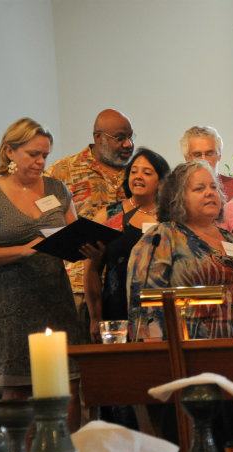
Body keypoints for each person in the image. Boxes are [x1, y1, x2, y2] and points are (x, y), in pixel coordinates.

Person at [0, 117, 81, 398]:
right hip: (5, 305)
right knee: (17, 390)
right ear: (9, 151)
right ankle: (20, 443)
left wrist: (86, 247)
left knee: (68, 386)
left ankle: (65, 442)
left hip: (53, 300)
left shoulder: (57, 189)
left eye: (45, 155)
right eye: (33, 154)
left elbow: (73, 235)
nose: (41, 161)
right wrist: (27, 249)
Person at [126, 161, 233, 342]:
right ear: (178, 197)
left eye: (214, 187)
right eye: (199, 188)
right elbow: (143, 300)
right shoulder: (163, 236)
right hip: (187, 345)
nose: (210, 192)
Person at [46, 108, 134, 311]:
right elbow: (42, 220)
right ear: (98, 137)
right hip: (78, 287)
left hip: (126, 284)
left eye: (130, 136)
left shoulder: (138, 172)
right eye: (120, 138)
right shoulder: (62, 171)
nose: (128, 144)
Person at [83, 148, 170, 341]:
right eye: (134, 171)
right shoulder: (110, 215)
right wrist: (95, 317)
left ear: (162, 181)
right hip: (116, 310)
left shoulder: (170, 219)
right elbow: (91, 270)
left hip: (160, 312)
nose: (138, 177)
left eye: (147, 173)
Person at [179, 125, 233, 202]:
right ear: (187, 158)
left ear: (219, 155)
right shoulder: (176, 191)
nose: (204, 160)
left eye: (209, 153)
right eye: (197, 155)